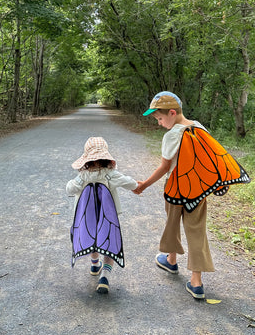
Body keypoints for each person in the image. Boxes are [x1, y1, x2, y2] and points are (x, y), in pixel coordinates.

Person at [133, 91, 214, 300]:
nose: (160, 123)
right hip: (198, 189)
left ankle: (171, 260)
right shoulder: (199, 128)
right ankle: (196, 282)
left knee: (172, 222)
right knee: (196, 231)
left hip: (175, 187)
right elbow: (211, 160)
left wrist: (144, 185)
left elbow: (164, 167)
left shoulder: (171, 135)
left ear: (172, 113)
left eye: (160, 119)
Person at [66, 136, 137, 294]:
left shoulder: (83, 176)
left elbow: (70, 189)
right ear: (106, 158)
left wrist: (73, 183)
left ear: (87, 159)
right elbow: (131, 183)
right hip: (108, 217)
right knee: (108, 242)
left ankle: (94, 264)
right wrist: (138, 185)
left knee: (93, 238)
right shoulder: (111, 174)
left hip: (88, 217)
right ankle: (104, 276)